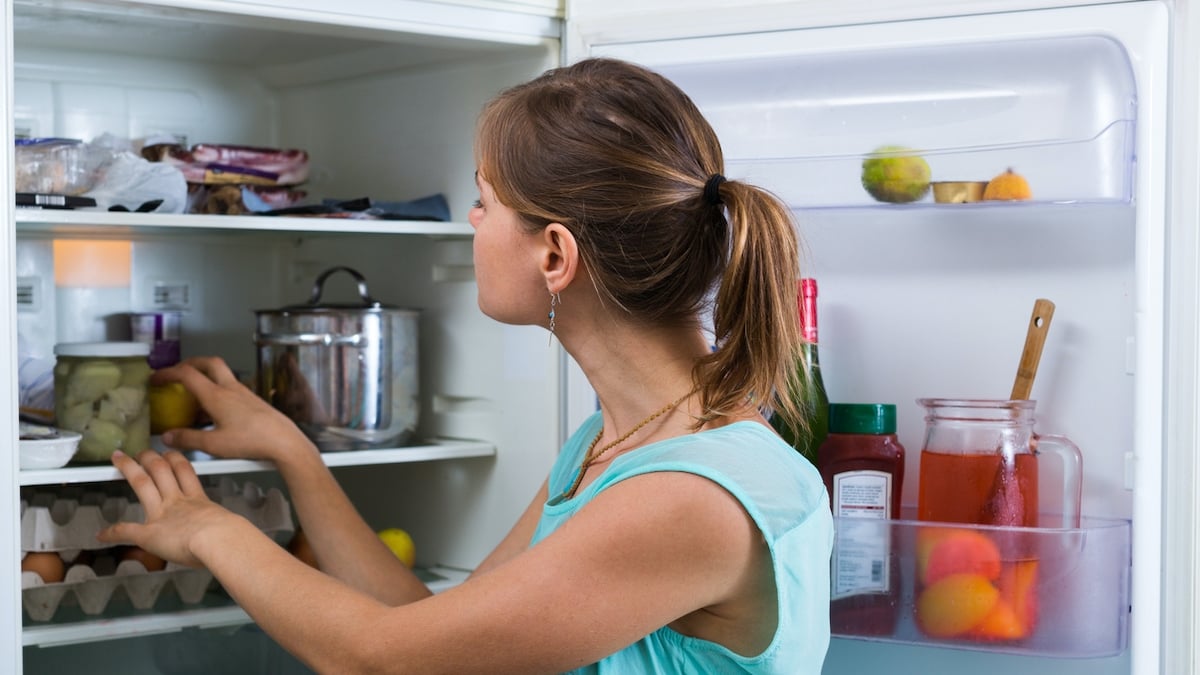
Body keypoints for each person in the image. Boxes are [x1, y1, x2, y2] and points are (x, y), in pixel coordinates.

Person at [99, 57, 833, 674]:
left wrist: (211, 530)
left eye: (484, 203)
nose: (471, 224)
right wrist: (294, 452)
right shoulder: (616, 444)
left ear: (553, 255)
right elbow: (432, 628)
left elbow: (379, 656)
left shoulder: (691, 497)